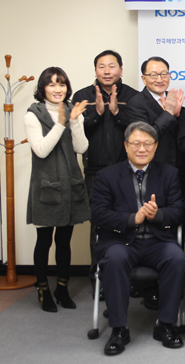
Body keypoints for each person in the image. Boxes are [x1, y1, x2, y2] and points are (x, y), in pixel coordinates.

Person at [91, 122, 185, 355]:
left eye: (147, 144)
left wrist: (158, 214)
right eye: (136, 143)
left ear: (155, 147)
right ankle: (118, 329)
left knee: (177, 259)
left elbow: (180, 210)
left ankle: (165, 324)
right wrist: (132, 219)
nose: (141, 148)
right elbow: (98, 214)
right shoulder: (107, 176)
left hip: (157, 241)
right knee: (114, 260)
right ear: (126, 146)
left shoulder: (170, 174)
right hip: (120, 241)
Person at [25, 67, 90, 312]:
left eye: (61, 84)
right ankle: (43, 289)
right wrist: (61, 123)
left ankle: (62, 288)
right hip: (46, 187)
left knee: (64, 241)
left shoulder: (72, 111)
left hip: (70, 185)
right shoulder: (33, 114)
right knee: (44, 241)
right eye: (51, 84)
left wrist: (73, 121)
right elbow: (41, 150)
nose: (57, 89)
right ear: (43, 88)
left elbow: (82, 148)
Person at [72, 50, 138, 287]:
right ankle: (97, 280)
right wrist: (97, 115)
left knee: (129, 221)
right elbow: (75, 135)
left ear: (121, 69)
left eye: (112, 66)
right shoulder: (82, 97)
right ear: (95, 70)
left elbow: (139, 132)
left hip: (127, 170)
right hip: (95, 172)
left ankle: (128, 278)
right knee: (98, 225)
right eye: (102, 66)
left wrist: (117, 113)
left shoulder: (133, 96)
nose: (107, 71)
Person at [126, 56, 184, 167]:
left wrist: (177, 116)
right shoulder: (135, 103)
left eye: (164, 74)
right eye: (153, 75)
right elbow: (145, 137)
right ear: (144, 79)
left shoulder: (173, 99)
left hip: (177, 169)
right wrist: (168, 113)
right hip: (153, 168)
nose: (159, 80)